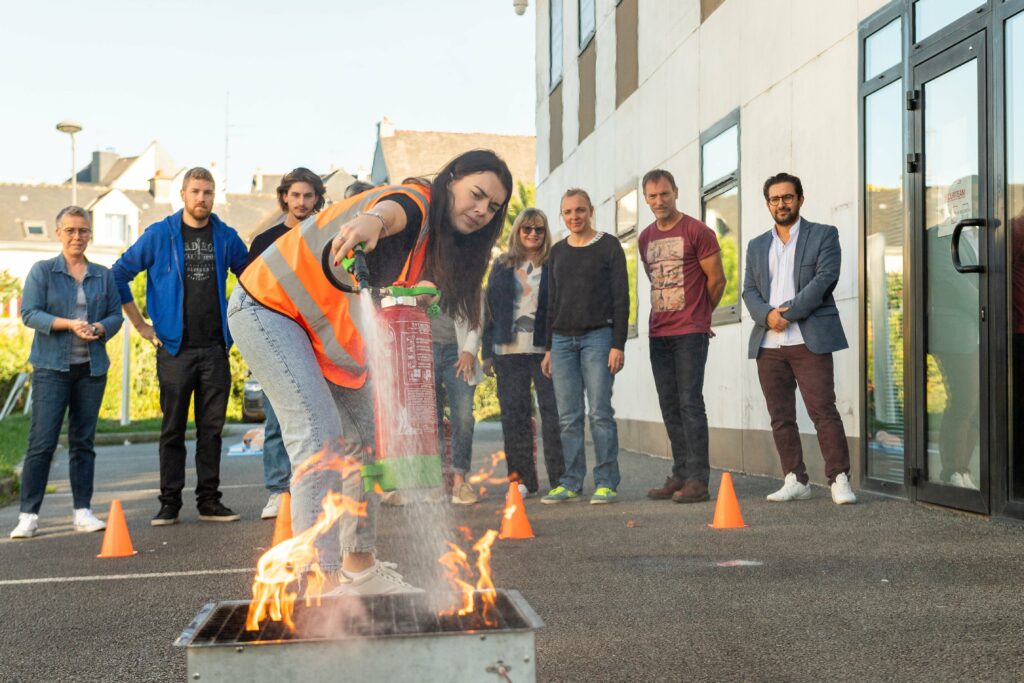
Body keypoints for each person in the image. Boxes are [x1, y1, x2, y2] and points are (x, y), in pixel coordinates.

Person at [229, 150, 512, 594]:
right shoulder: (418, 200)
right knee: (318, 439)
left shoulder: (432, 250)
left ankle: (358, 569)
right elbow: (391, 212)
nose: (482, 210)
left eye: (493, 207)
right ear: (451, 179)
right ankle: (315, 584)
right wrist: (370, 223)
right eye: (477, 194)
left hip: (325, 336)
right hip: (268, 308)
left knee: (370, 441)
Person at [112, 167, 249, 525]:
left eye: (208, 192)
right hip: (174, 348)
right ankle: (169, 503)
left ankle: (209, 502)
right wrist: (140, 324)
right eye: (196, 191)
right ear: (183, 195)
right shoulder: (160, 234)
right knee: (172, 429)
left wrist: (241, 325)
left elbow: (252, 277)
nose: (202, 198)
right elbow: (118, 274)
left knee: (211, 431)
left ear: (213, 196)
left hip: (214, 349)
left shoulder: (226, 236)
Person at [741, 172, 855, 505]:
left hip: (809, 339)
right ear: (768, 204)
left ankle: (838, 479)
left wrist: (785, 314)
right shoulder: (757, 245)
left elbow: (825, 280)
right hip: (769, 344)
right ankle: (795, 479)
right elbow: (749, 290)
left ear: (800, 200)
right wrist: (767, 316)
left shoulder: (823, 235)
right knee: (781, 415)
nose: (781, 204)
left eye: (787, 197)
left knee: (823, 410)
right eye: (775, 199)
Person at [10, 207, 123, 539]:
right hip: (51, 369)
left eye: (84, 231)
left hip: (91, 369)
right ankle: (28, 515)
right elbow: (29, 314)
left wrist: (100, 327)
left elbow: (116, 315)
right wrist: (68, 324)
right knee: (42, 443)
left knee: (82, 443)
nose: (78, 237)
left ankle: (83, 511)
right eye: (71, 230)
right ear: (58, 232)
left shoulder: (104, 275)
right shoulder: (42, 271)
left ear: (90, 234)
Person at [639, 170, 725, 504]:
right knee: (669, 404)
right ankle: (680, 473)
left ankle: (698, 481)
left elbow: (716, 280)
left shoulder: (697, 231)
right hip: (658, 332)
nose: (659, 201)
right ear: (646, 199)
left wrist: (701, 316)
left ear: (676, 192)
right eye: (652, 196)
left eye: (664, 194)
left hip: (689, 331)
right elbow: (655, 279)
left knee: (690, 403)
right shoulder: (645, 237)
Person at [247, 168, 327, 519]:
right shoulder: (264, 243)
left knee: (322, 420)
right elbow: (250, 298)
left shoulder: (327, 238)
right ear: (284, 197)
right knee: (279, 420)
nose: (302, 202)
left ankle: (319, 489)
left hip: (321, 340)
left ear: (316, 199)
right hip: (277, 339)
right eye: (295, 195)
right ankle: (280, 492)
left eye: (308, 196)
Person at [541, 188, 629, 505]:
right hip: (562, 341)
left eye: (580, 210)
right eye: (568, 212)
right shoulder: (557, 253)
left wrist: (617, 344)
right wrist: (549, 347)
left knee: (600, 413)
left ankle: (606, 482)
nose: (574, 217)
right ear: (562, 216)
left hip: (599, 337)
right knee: (568, 417)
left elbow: (622, 298)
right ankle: (571, 481)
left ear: (590, 210)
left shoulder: (609, 246)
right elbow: (551, 302)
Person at [482, 208, 563, 496]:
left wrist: (554, 346)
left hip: (543, 350)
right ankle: (521, 480)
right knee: (514, 418)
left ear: (545, 233)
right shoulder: (502, 265)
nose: (532, 234)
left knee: (553, 416)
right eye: (526, 229)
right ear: (517, 231)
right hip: (507, 351)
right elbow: (488, 308)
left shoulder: (554, 263)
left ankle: (560, 480)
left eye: (538, 229)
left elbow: (560, 308)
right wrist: (486, 352)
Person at [434, 302, 484, 505]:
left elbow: (477, 312)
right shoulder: (421, 271)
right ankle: (436, 483)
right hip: (424, 345)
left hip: (458, 349)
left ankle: (459, 482)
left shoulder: (467, 272)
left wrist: (470, 350)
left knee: (463, 418)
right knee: (429, 419)